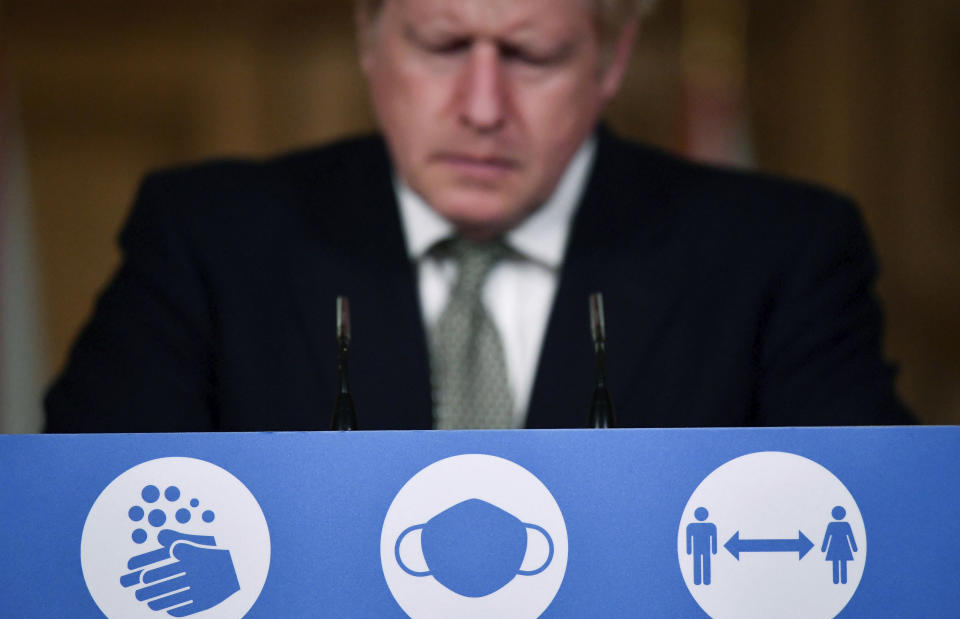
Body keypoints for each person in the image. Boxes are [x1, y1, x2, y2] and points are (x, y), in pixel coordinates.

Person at [44, 0, 914, 433]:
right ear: (369, 37)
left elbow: (870, 555)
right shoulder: (208, 236)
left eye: (531, 56)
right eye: (444, 47)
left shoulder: (781, 255)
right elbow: (79, 529)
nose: (483, 106)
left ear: (612, 61)